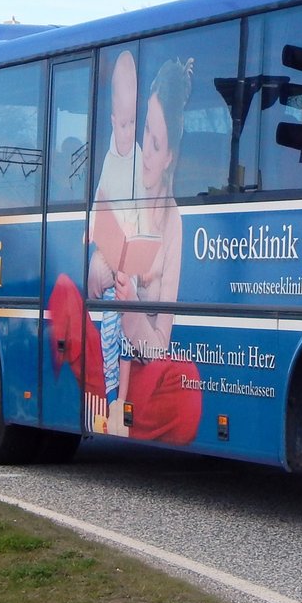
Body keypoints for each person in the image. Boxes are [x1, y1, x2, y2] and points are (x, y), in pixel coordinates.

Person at [79, 56, 200, 443]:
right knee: (64, 299)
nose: (145, 150)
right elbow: (92, 274)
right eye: (144, 130)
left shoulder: (173, 221)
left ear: (169, 158)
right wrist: (105, 270)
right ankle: (109, 407)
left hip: (142, 362)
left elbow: (160, 344)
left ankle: (118, 409)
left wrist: (132, 308)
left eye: (156, 143)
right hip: (103, 335)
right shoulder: (122, 178)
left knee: (186, 380)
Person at [90, 50, 141, 415]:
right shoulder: (109, 159)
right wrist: (92, 231)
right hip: (111, 258)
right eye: (121, 124)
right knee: (110, 331)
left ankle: (122, 397)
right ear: (111, 122)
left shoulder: (137, 159)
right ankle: (111, 396)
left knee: (125, 334)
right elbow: (100, 201)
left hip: (130, 259)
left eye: (132, 124)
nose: (126, 132)